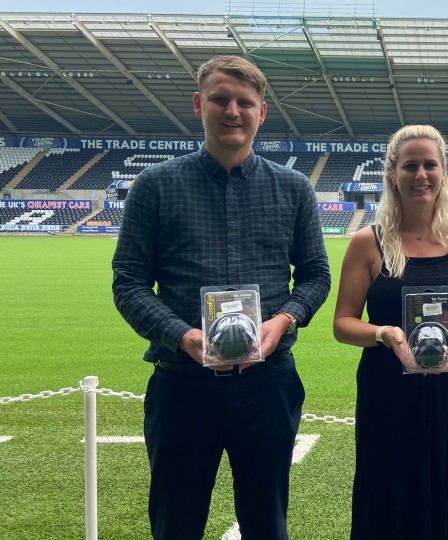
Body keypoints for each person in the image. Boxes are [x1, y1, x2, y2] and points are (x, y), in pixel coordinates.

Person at [112, 55, 331, 540]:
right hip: (183, 384)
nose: (232, 111)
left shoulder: (293, 189)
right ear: (198, 104)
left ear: (261, 112)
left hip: (268, 385)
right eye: (220, 99)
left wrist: (284, 321)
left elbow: (316, 275)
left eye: (244, 102)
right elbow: (127, 281)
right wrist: (184, 336)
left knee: (266, 523)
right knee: (176, 522)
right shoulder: (155, 186)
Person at [332, 124, 448, 539]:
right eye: (410, 166)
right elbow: (343, 323)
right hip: (388, 388)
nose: (420, 175)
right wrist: (384, 334)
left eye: (430, 165)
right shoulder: (367, 243)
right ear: (392, 174)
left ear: (444, 172)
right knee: (390, 479)